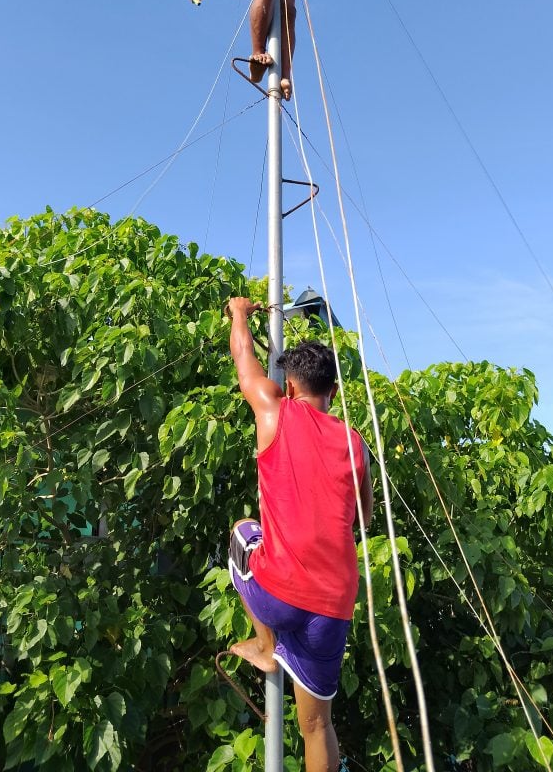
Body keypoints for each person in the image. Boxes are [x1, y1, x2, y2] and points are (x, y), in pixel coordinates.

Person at [226, 297, 373, 772]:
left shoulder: (274, 411)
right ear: (333, 389)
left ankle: (266, 644)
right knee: (317, 727)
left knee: (241, 532)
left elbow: (244, 361)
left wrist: (240, 313)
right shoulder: (355, 442)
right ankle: (272, 645)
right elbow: (364, 521)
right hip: (332, 603)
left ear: (289, 386)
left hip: (277, 594)